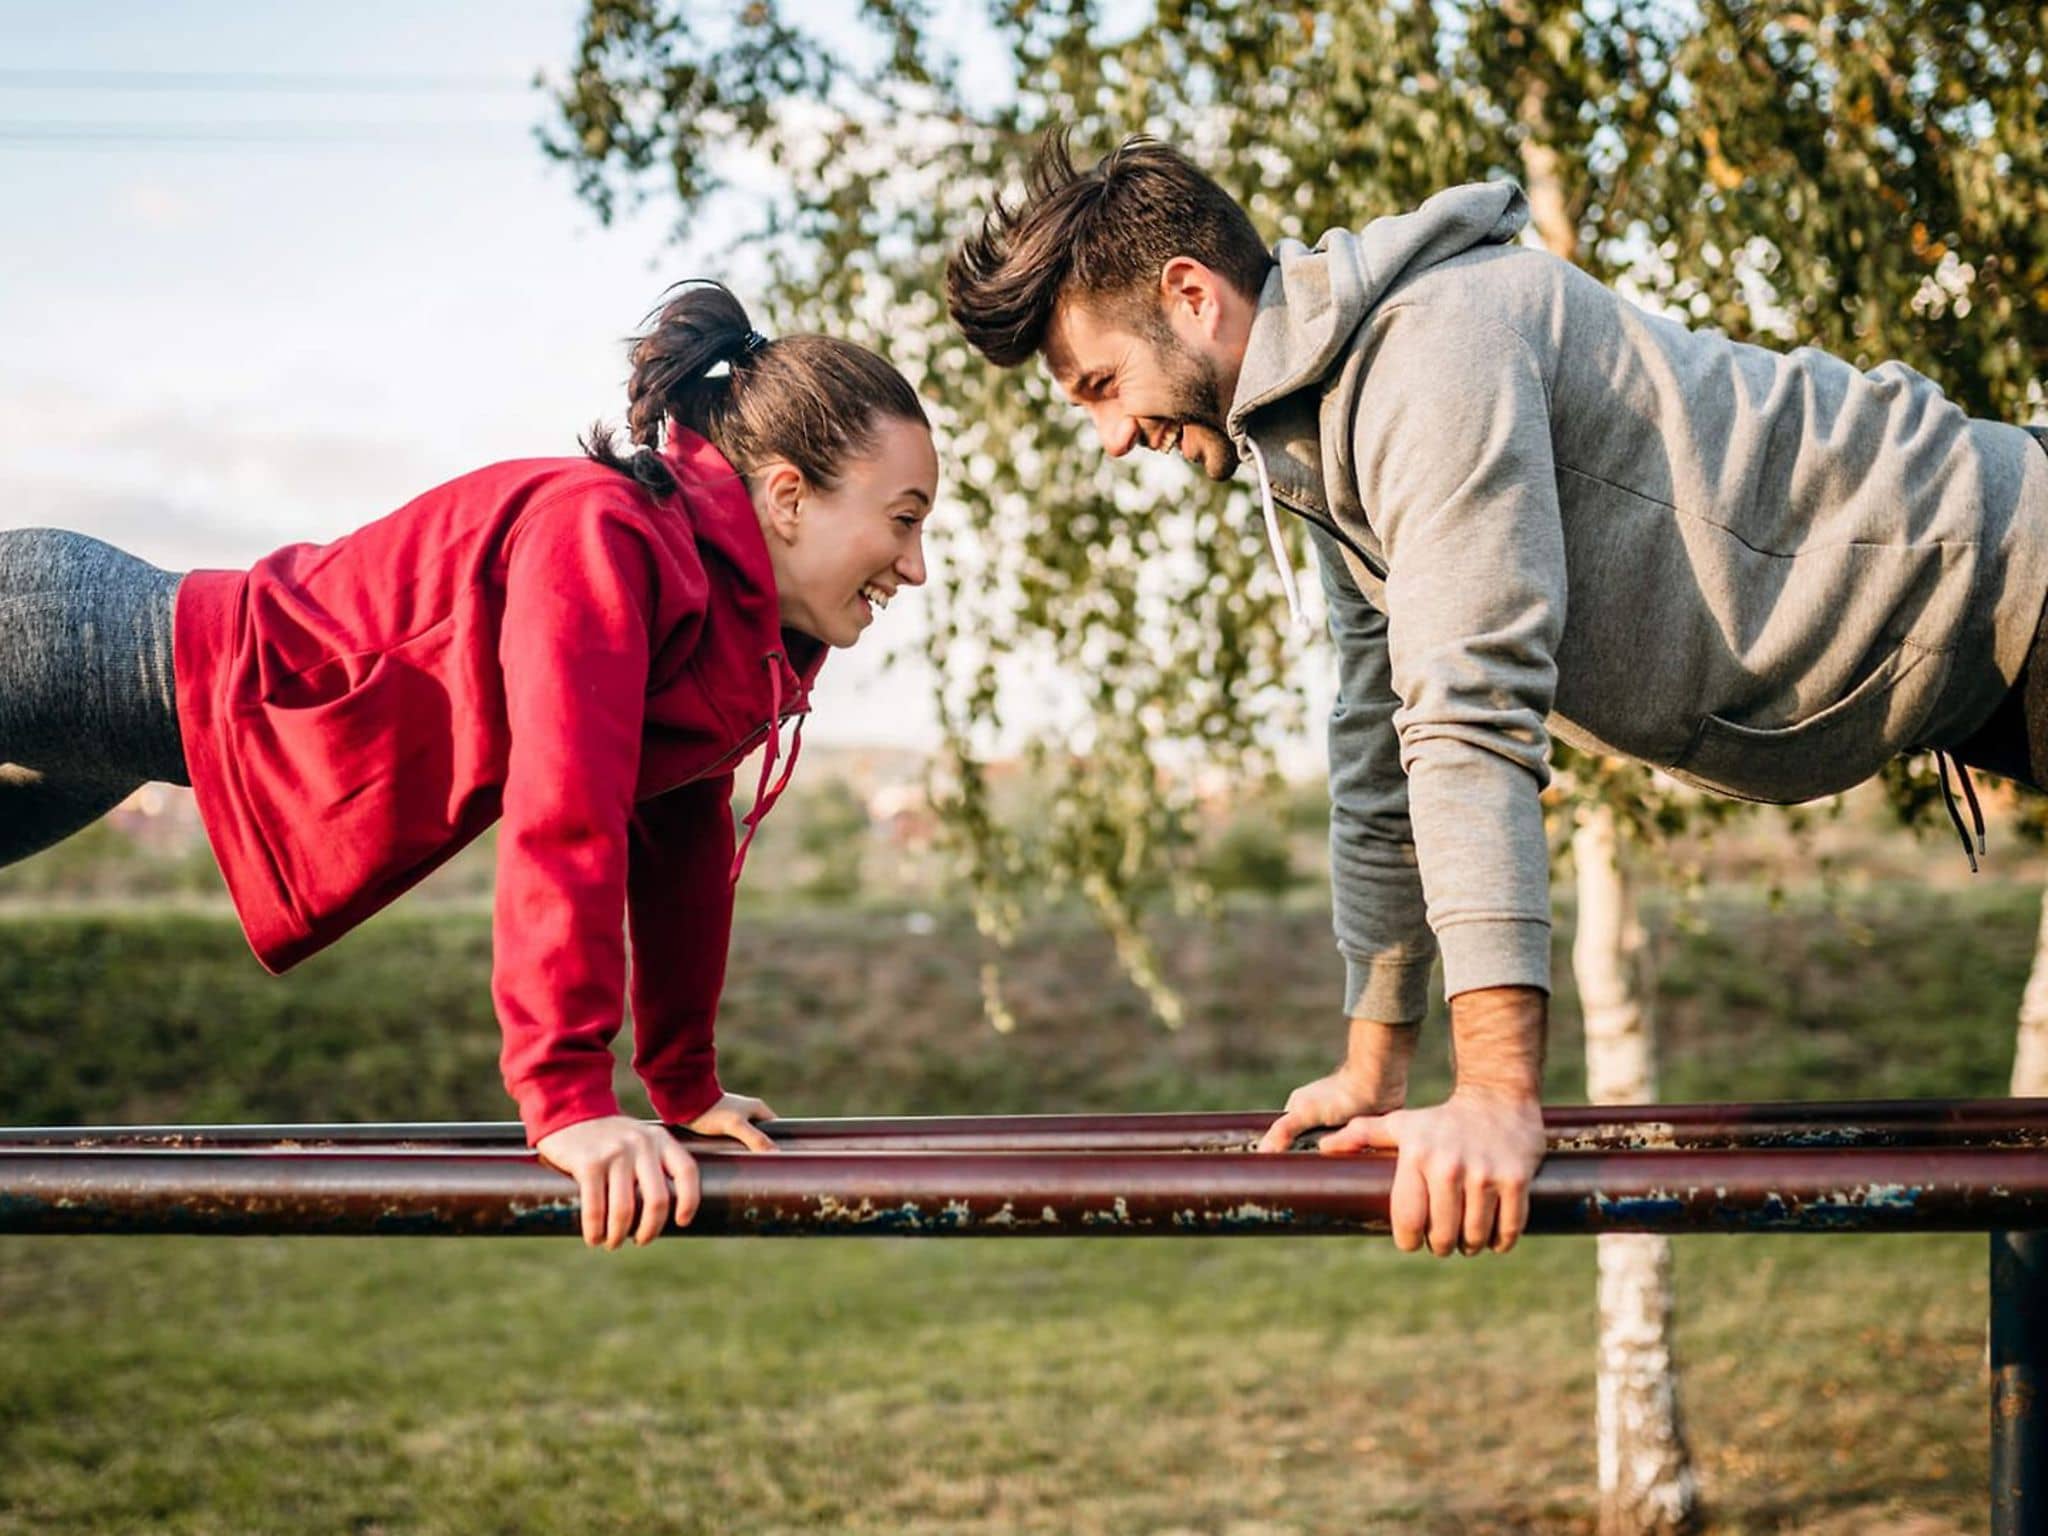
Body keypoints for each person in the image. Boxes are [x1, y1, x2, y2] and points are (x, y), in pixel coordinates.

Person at [945, 132, 2048, 1259]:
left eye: (1101, 387)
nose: (1112, 438)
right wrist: (1374, 1063)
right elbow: (1378, 744)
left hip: (2017, 571)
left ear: (1191, 296)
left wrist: (1494, 1092)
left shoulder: (1430, 353)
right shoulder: (1320, 431)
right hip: (1977, 659)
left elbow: (1467, 710)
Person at [0, 282, 938, 1249]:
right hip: (80, 647)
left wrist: (685, 1082)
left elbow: (681, 845)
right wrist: (567, 1098)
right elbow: (567, 804)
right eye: (904, 520)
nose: (916, 566)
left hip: (125, 725)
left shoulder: (723, 632)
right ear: (788, 496)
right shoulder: (605, 534)